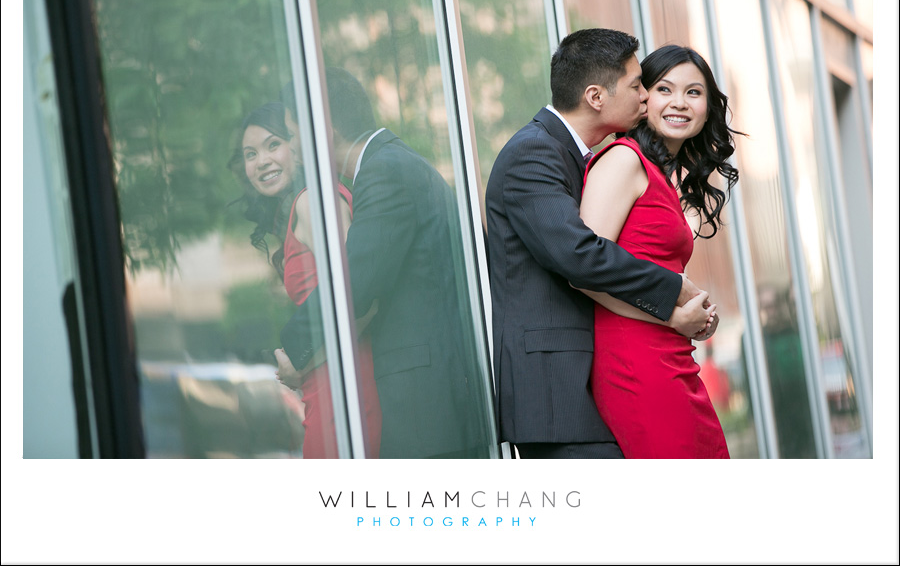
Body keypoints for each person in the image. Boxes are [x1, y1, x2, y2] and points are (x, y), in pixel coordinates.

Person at [485, 28, 716, 460]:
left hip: (589, 381)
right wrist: (676, 293)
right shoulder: (532, 153)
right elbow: (580, 254)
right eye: (637, 87)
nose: (647, 98)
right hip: (557, 393)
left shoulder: (576, 156)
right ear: (596, 96)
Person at [278, 68, 490, 458]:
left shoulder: (384, 172)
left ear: (322, 128)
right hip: (439, 402)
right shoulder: (397, 162)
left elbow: (358, 281)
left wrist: (295, 351)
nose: (291, 148)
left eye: (292, 135)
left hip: (427, 411)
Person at [579, 44, 741, 458]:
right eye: (665, 89)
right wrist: (673, 313)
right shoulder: (623, 160)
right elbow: (583, 268)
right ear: (643, 98)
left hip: (671, 355)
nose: (679, 103)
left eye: (693, 92)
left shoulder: (660, 175)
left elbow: (648, 264)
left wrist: (691, 308)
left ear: (708, 106)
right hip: (635, 360)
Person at [231, 102, 382, 458]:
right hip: (329, 387)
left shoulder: (312, 202)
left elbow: (362, 299)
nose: (261, 161)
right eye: (250, 154)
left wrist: (301, 362)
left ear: (297, 145)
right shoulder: (304, 205)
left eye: (273, 144)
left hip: (345, 388)